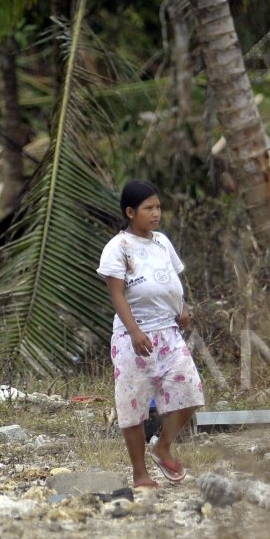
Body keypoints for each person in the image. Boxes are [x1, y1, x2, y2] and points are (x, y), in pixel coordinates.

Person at [98, 180, 205, 488]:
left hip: (169, 333)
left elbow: (173, 281)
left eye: (158, 207)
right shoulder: (117, 248)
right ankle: (140, 473)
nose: (156, 213)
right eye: (148, 208)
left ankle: (163, 446)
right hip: (134, 338)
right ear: (131, 212)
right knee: (134, 407)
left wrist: (182, 307)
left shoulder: (161, 242)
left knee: (190, 393)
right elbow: (117, 295)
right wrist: (134, 331)